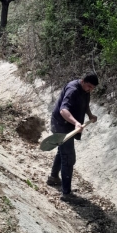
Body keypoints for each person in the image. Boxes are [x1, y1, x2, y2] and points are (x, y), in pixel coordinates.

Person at [47, 72, 98, 201]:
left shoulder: (85, 90)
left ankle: (53, 178)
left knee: (63, 152)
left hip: (68, 125)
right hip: (60, 125)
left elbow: (85, 105)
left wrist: (90, 115)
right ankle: (66, 194)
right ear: (82, 81)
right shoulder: (73, 89)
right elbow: (63, 110)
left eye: (92, 88)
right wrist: (76, 123)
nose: (90, 90)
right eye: (89, 87)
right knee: (68, 158)